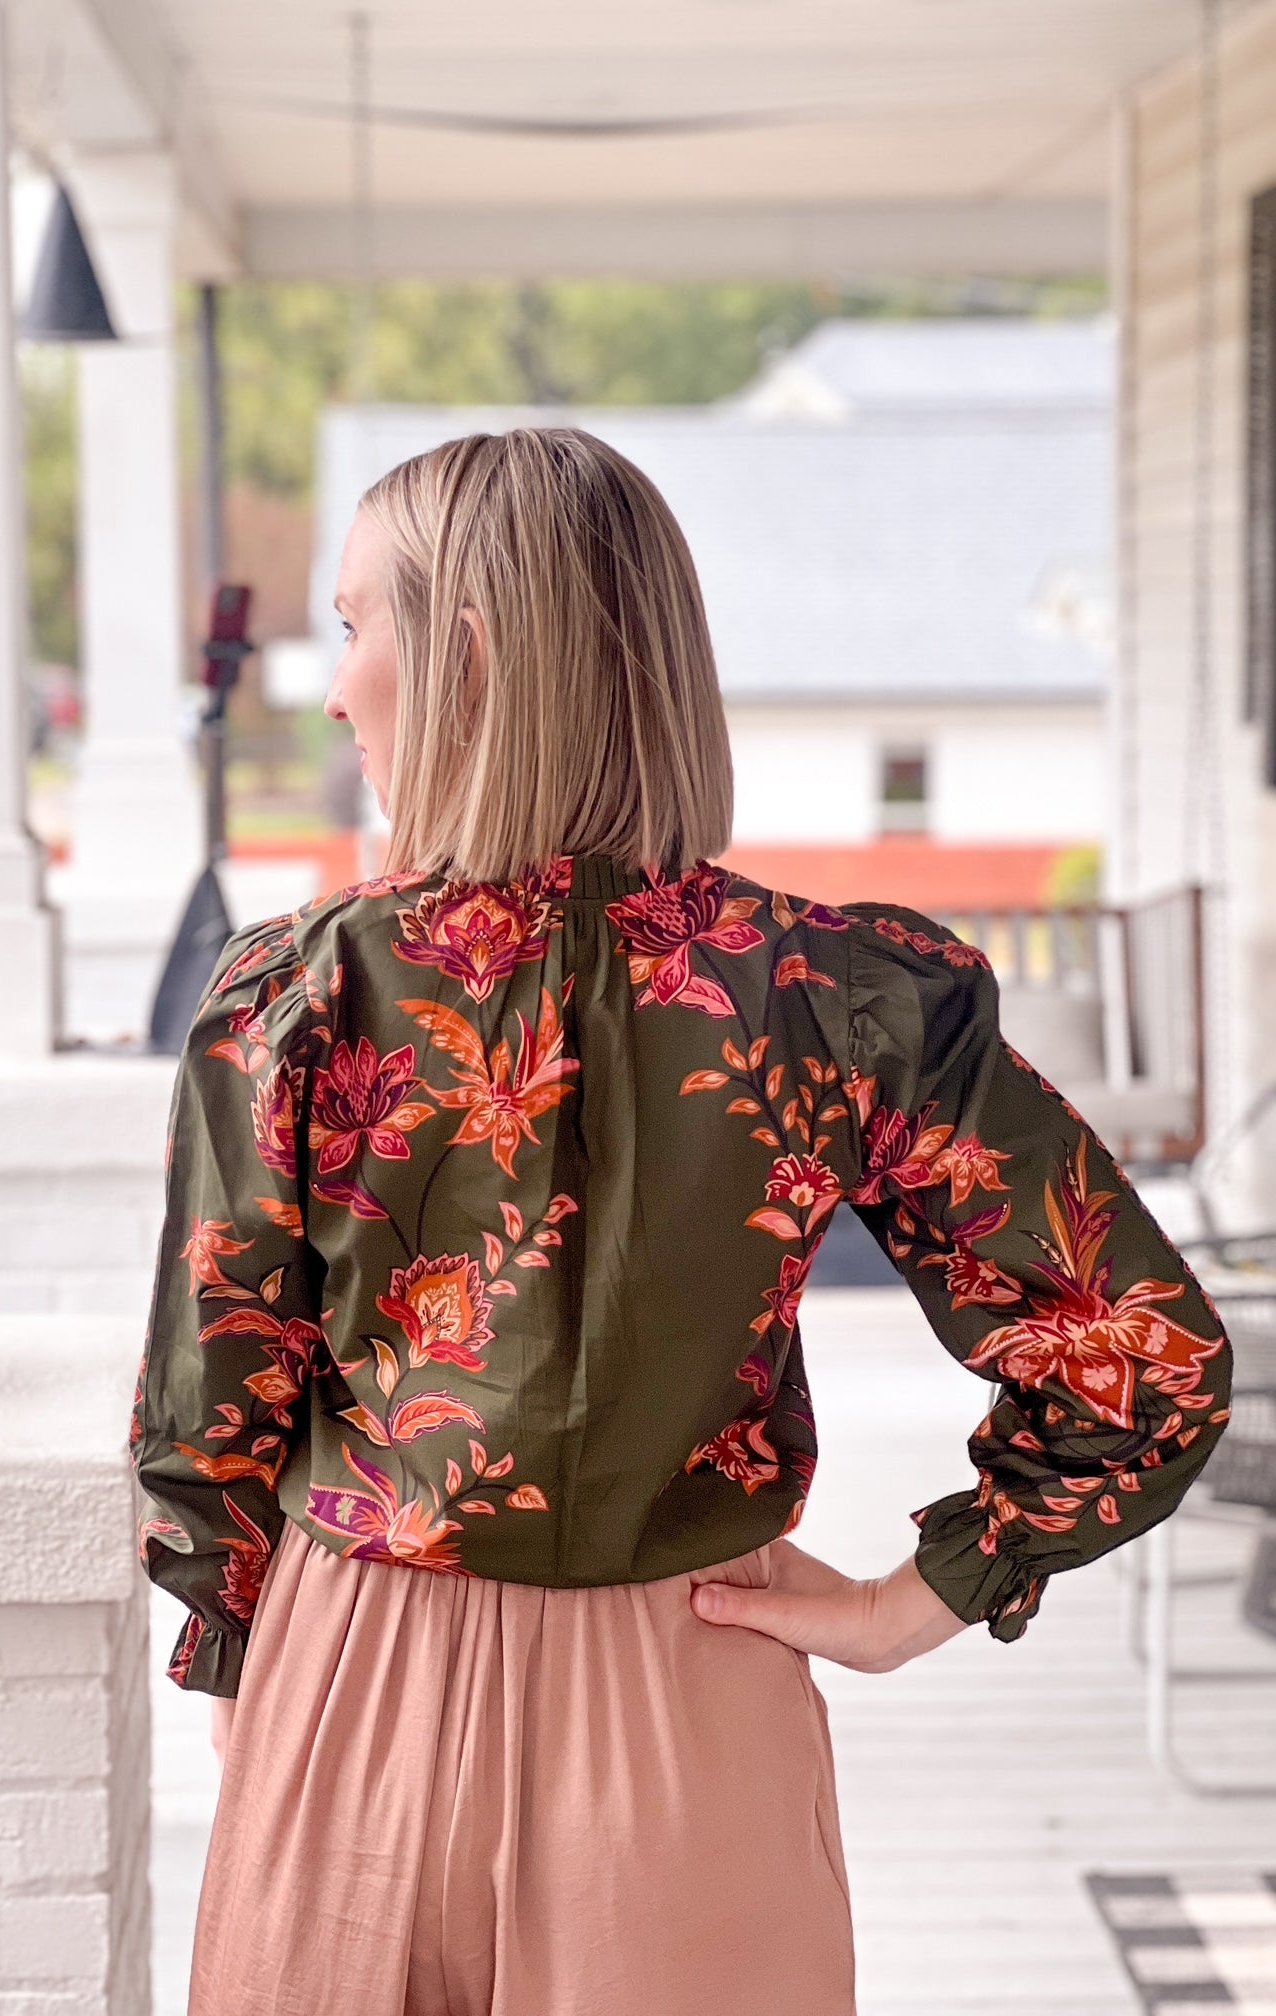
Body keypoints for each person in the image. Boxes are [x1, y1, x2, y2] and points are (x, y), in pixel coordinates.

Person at [131, 427, 1233, 2016]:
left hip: (353, 1683)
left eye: (354, 624)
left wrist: (242, 1656)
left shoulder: (300, 995)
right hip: (692, 1691)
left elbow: (217, 1392)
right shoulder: (835, 997)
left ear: (470, 656)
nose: (331, 684)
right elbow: (1146, 1356)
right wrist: (913, 1603)